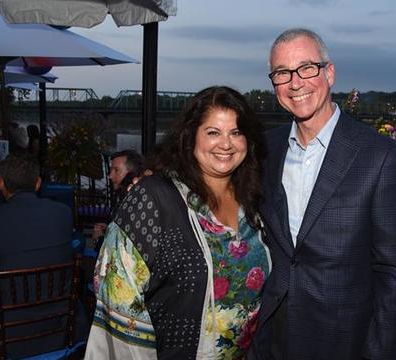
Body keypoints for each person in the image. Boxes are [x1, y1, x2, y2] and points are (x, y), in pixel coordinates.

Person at [249, 28, 396, 360]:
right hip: (272, 337)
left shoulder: (380, 156)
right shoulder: (266, 149)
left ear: (329, 73)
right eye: (282, 73)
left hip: (344, 341)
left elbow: (393, 270)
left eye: (307, 68)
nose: (295, 83)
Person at [84, 86, 270, 359]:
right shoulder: (153, 198)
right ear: (190, 137)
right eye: (213, 132)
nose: (226, 144)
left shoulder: (255, 202)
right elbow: (118, 299)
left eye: (237, 132)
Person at [0, 153, 77, 359]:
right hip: (60, 322)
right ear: (37, 183)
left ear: (1, 184)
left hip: (6, 331)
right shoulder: (62, 213)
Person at [91, 149, 146, 240]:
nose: (110, 176)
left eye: (116, 170)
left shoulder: (134, 204)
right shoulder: (130, 196)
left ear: (131, 175)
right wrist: (109, 228)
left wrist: (98, 239)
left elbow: (121, 247)